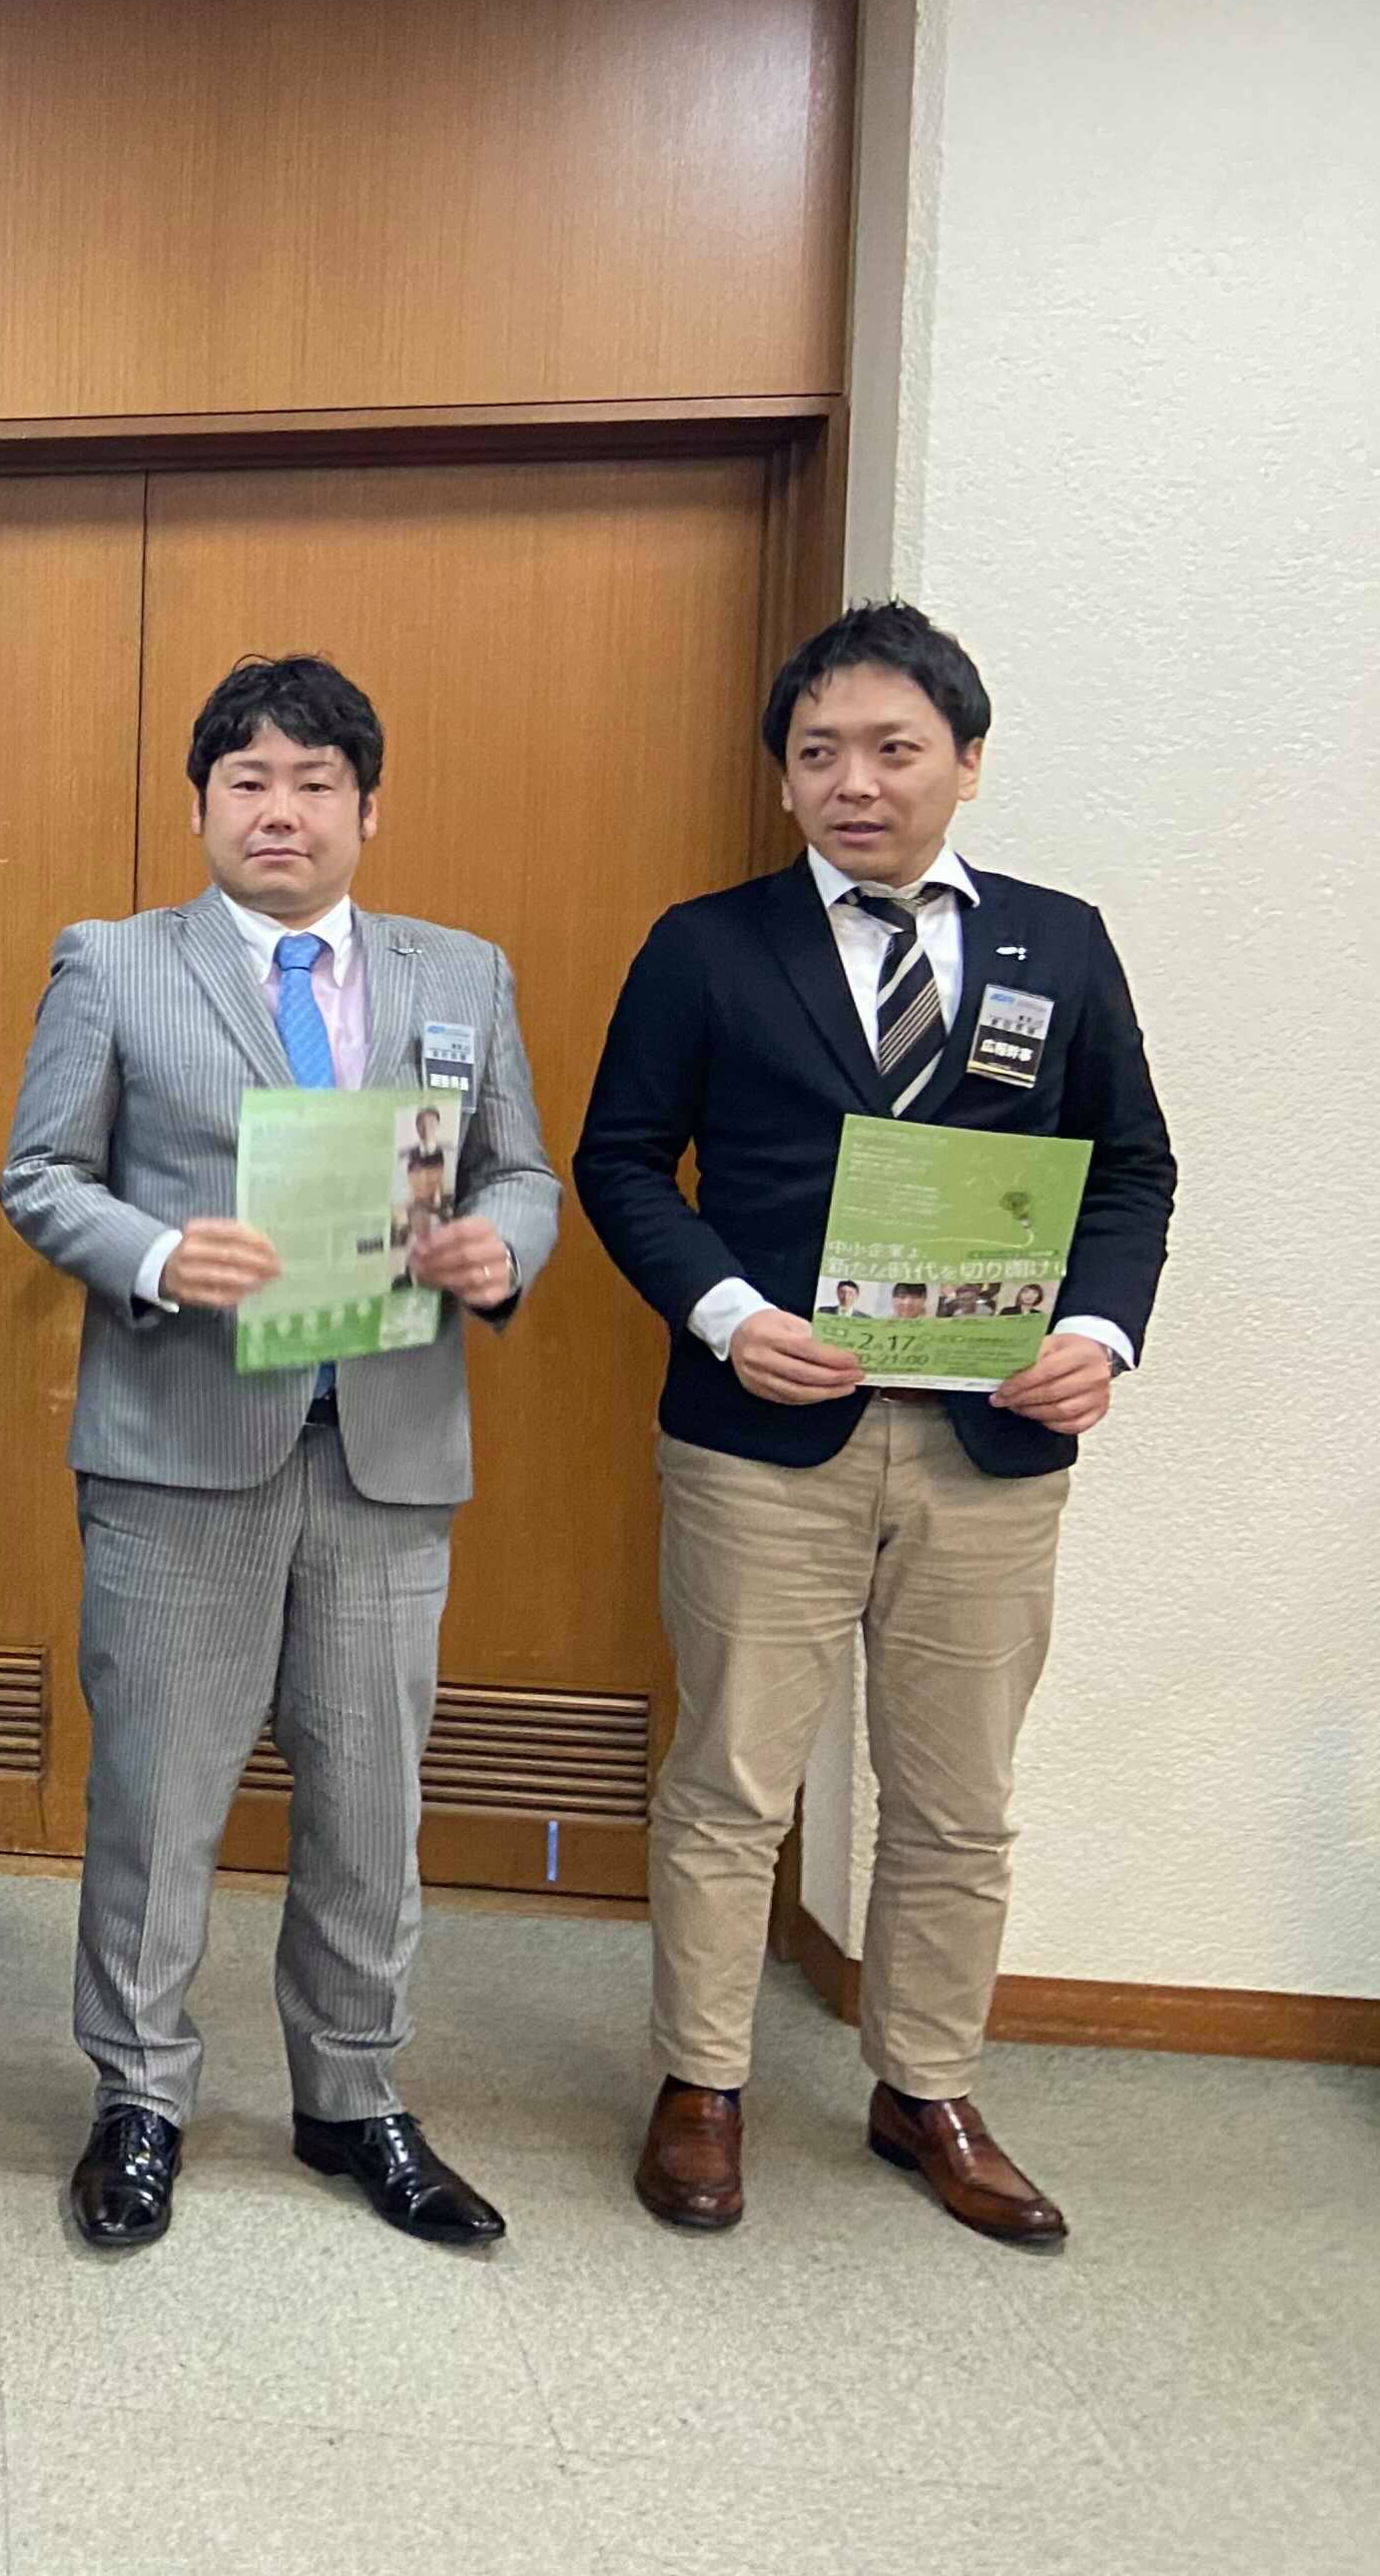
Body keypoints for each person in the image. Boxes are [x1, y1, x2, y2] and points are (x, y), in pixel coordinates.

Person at [579, 601, 1172, 2245]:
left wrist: (1097, 1334)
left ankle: (928, 2085)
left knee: (958, 1795)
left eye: (895, 749)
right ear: (783, 776)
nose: (857, 781)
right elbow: (622, 1160)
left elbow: (1131, 1167)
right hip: (762, 1436)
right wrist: (727, 1315)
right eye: (820, 752)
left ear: (965, 763)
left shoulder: (1062, 944)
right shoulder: (708, 945)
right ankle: (702, 2081)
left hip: (992, 1443)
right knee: (731, 1782)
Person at [0, 655, 559, 2253]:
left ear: (369, 809)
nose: (281, 810)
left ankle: (355, 2095)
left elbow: (525, 1175)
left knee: (372, 1802)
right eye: (247, 780)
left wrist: (500, 1251)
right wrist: (162, 1255)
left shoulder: (462, 973)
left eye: (316, 783)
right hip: (182, 1449)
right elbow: (41, 1175)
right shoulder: (116, 962)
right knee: (158, 1800)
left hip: (386, 1453)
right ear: (201, 805)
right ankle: (140, 2097)